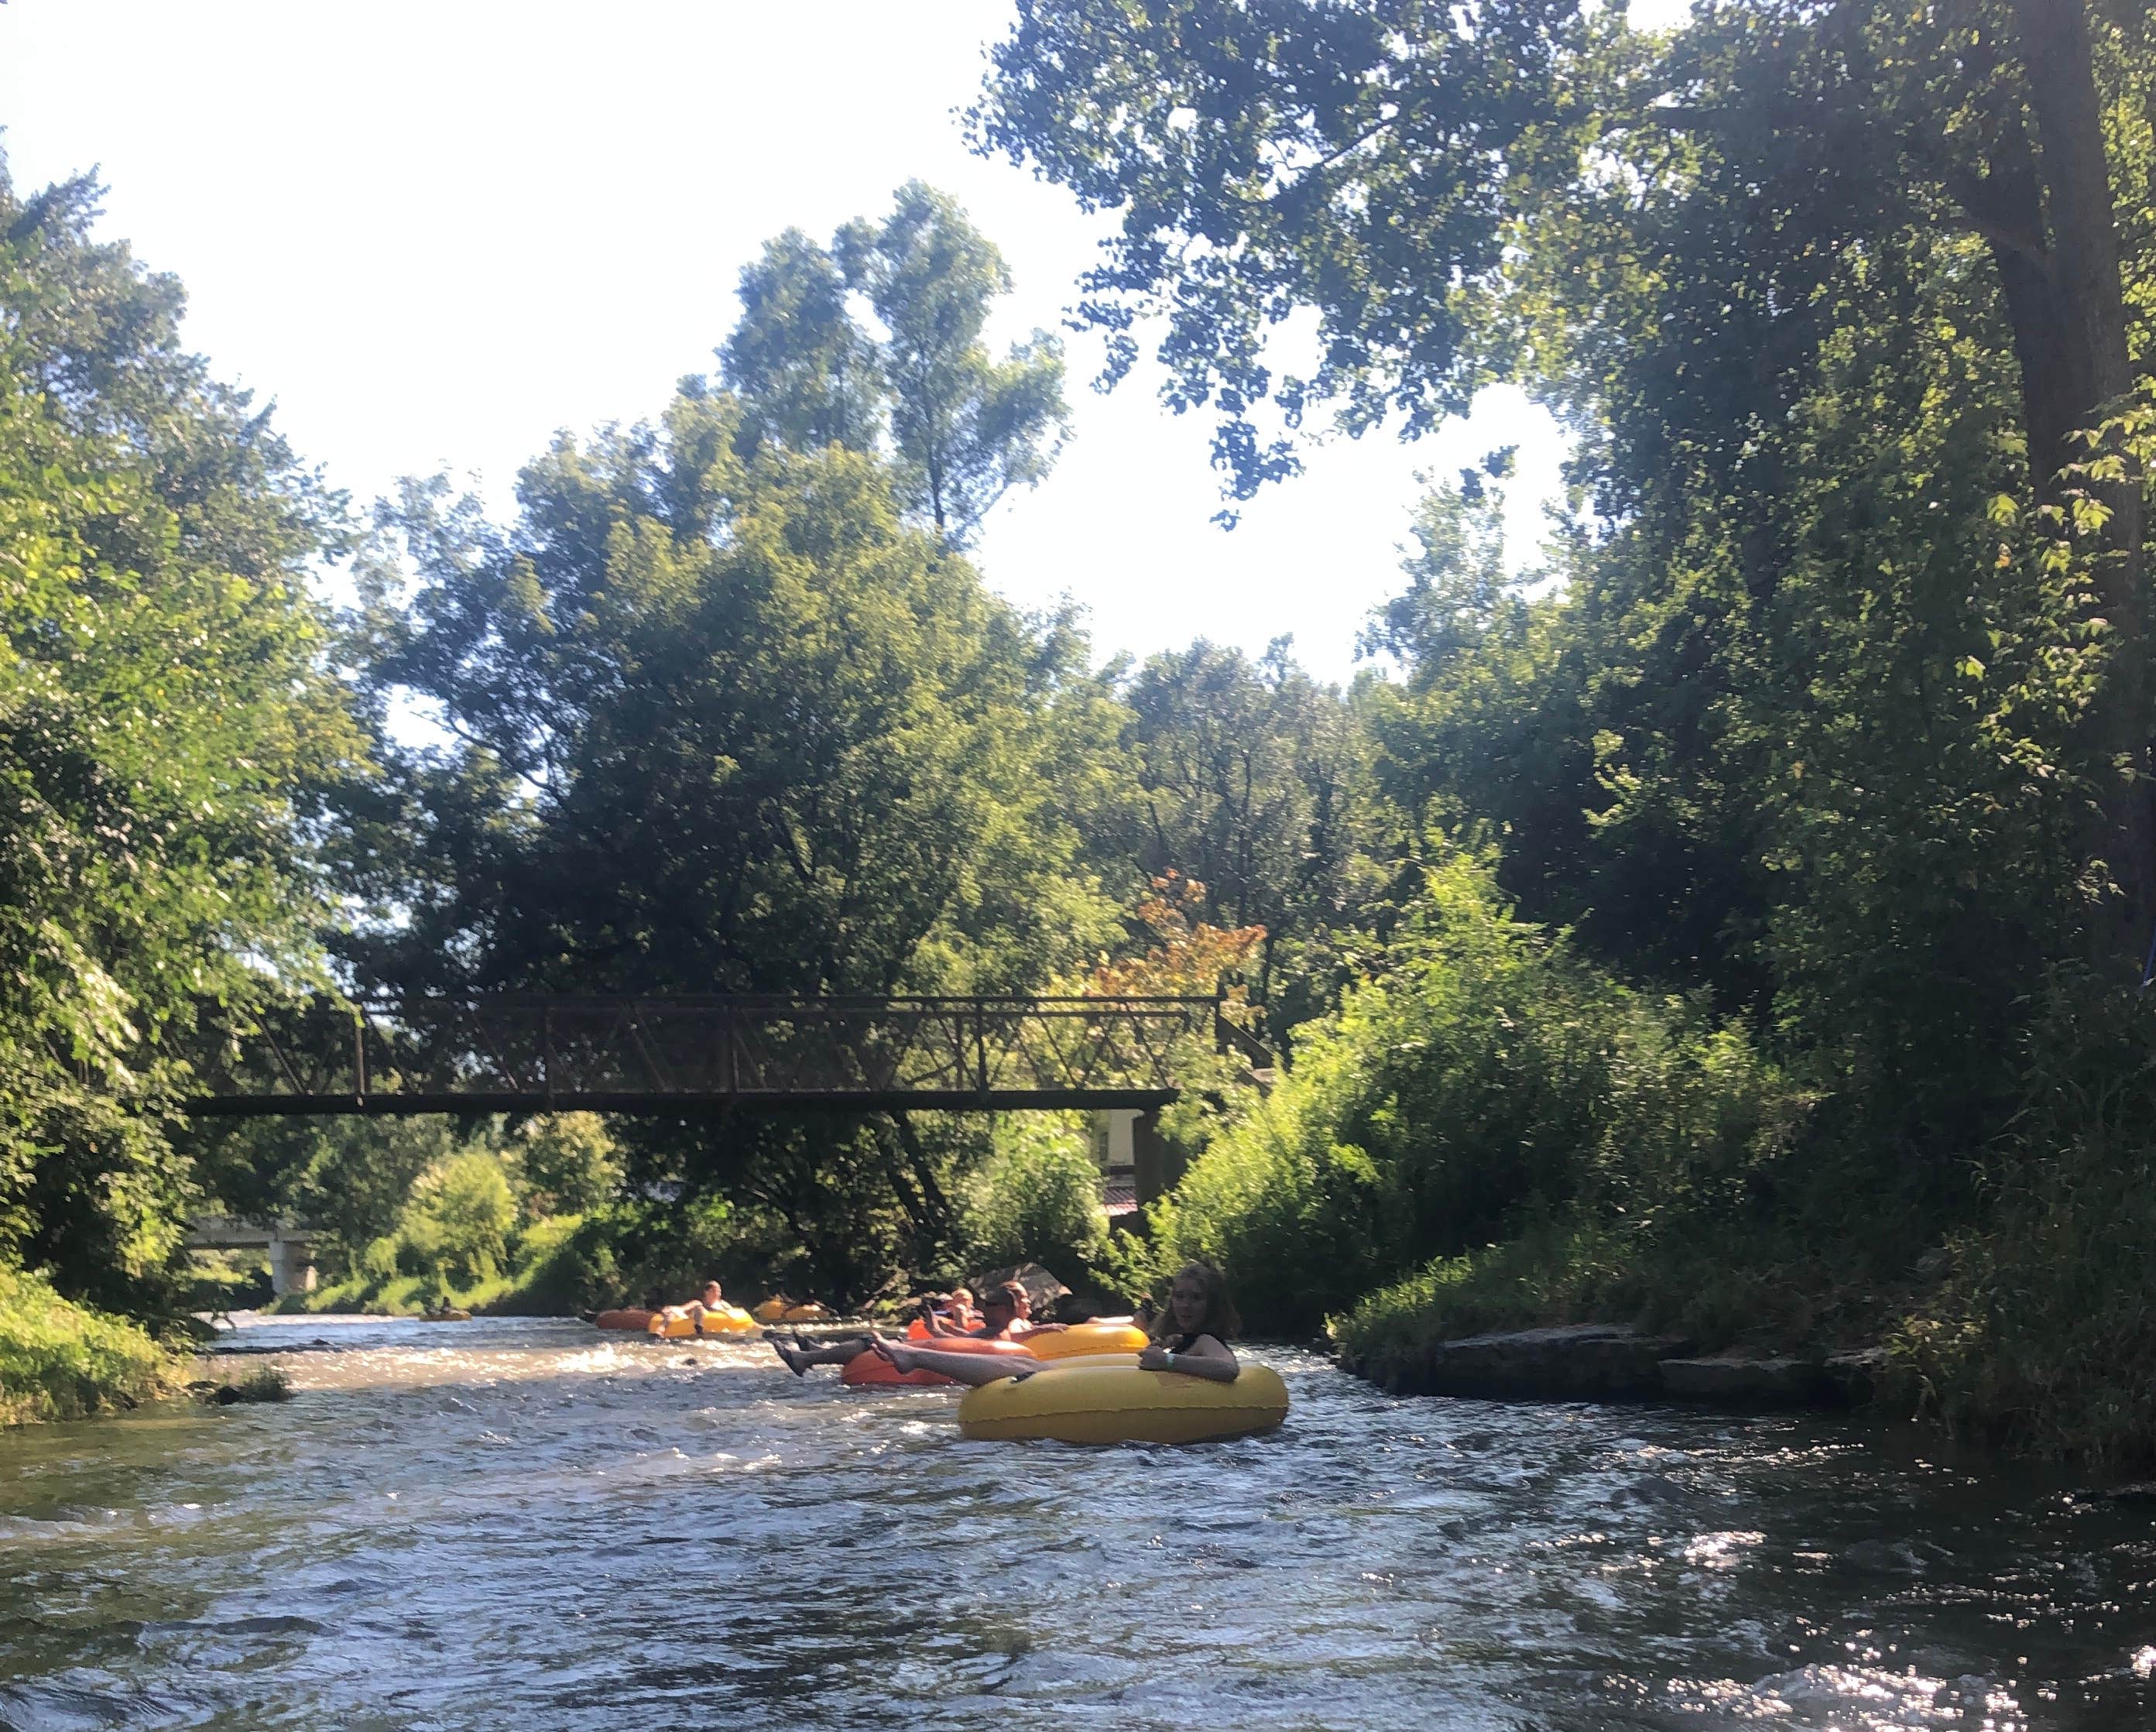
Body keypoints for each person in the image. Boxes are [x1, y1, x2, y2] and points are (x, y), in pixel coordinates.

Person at [869, 1260, 1242, 1388]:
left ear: (1211, 1304)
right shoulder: (1180, 1336)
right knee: (1023, 1363)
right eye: (1180, 1296)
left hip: (1113, 1390)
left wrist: (1169, 1361)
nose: (1185, 1305)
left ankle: (916, 1357)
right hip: (1118, 1382)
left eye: (1196, 1298)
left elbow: (1229, 1369)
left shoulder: (1205, 1339)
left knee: (1024, 1367)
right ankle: (914, 1356)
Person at [766, 1280, 1054, 1376]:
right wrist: (936, 1329)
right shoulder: (996, 1331)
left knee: (868, 1342)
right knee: (870, 1343)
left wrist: (1045, 1329)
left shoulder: (999, 1333)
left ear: (1002, 1309)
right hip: (948, 1351)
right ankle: (816, 1352)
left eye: (989, 1304)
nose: (983, 1308)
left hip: (944, 1357)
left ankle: (808, 1358)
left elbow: (968, 1342)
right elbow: (965, 1341)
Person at [657, 1279, 728, 1328]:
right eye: (715, 1291)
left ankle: (699, 1326)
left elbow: (731, 1311)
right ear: (706, 1292)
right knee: (697, 1305)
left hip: (715, 1320)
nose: (718, 1294)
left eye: (719, 1291)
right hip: (699, 1315)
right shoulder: (698, 1303)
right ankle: (699, 1326)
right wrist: (670, 1309)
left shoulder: (722, 1304)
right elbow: (683, 1308)